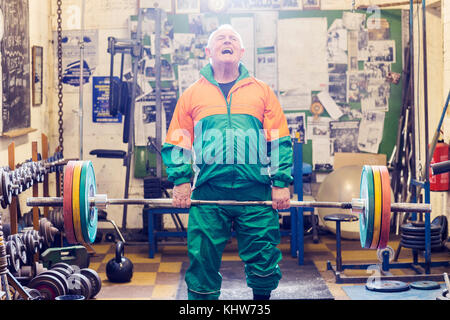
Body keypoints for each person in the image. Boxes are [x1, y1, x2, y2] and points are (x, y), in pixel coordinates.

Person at [161, 24, 293, 300]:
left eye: (233, 37)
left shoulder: (262, 92)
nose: (227, 40)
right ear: (208, 51)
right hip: (209, 191)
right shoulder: (192, 95)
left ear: (241, 51)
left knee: (264, 259)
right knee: (202, 261)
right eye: (220, 38)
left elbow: (279, 139)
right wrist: (182, 180)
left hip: (254, 190)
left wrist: (280, 182)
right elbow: (176, 142)